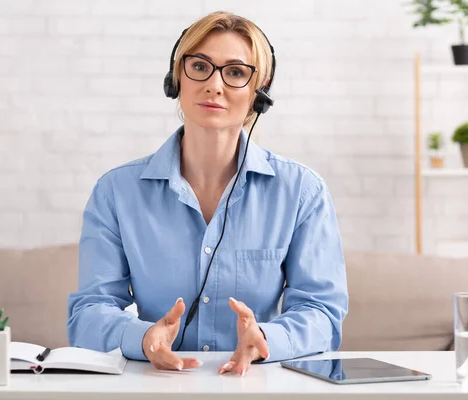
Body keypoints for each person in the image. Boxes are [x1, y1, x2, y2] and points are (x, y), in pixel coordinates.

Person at [67, 10, 349, 377]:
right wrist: (143, 338)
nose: (214, 85)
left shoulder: (300, 191)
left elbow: (322, 311)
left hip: (259, 386)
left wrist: (266, 337)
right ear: (176, 79)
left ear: (258, 93)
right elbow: (89, 312)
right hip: (155, 387)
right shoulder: (116, 192)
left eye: (235, 73)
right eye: (200, 66)